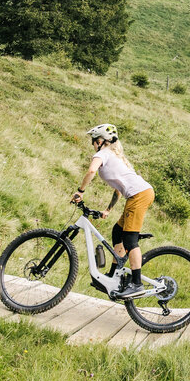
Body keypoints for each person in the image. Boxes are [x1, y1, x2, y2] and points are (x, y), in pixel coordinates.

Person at [70, 123, 156, 298]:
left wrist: (80, 191)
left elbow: (91, 170)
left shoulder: (102, 154)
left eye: (93, 141)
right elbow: (118, 191)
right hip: (139, 194)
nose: (93, 145)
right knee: (117, 231)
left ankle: (137, 284)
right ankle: (114, 274)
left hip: (139, 195)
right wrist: (108, 209)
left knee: (130, 239)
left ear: (101, 141)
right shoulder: (114, 156)